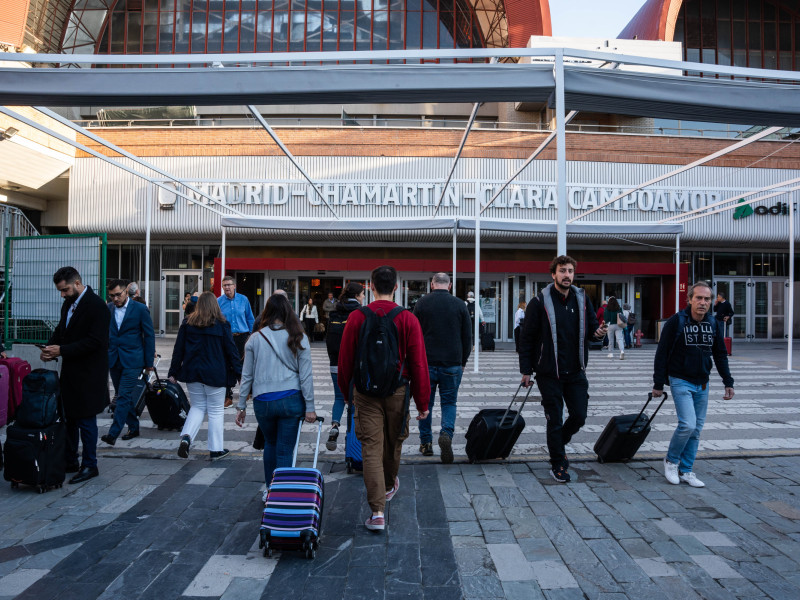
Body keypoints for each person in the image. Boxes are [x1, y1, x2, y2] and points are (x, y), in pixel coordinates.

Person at [338, 265, 430, 532]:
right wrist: (423, 403)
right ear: (397, 287)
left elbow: (345, 362)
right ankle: (388, 485)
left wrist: (347, 395)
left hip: (365, 394)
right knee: (393, 443)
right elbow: (419, 364)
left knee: (370, 449)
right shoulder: (407, 319)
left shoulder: (357, 317)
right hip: (398, 392)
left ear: (371, 287)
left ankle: (377, 512)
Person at [519, 256, 607, 484]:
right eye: (562, 271)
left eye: (570, 271)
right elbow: (527, 339)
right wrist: (526, 370)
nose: (567, 275)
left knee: (579, 416)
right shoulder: (539, 302)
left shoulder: (582, 298)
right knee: (554, 420)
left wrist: (598, 334)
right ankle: (558, 463)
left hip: (576, 371)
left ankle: (560, 441)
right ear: (553, 274)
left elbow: (590, 329)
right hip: (549, 373)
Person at [653, 282, 735, 488]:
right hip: (680, 379)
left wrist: (728, 382)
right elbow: (662, 352)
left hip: (703, 383)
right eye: (698, 298)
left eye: (707, 299)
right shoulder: (677, 321)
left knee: (696, 429)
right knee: (687, 424)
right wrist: (658, 383)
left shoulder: (713, 323)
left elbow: (720, 354)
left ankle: (686, 470)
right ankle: (671, 460)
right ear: (689, 299)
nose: (703, 302)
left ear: (711, 302)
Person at [235, 294, 316, 491]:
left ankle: (270, 490)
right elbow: (306, 377)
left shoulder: (255, 338)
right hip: (291, 399)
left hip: (263, 401)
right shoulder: (299, 337)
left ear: (267, 312)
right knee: (285, 449)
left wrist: (241, 406)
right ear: (288, 311)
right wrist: (310, 408)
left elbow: (247, 376)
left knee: (270, 444)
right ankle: (283, 492)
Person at [40, 267, 110, 484]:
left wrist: (61, 350)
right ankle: (70, 459)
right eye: (61, 291)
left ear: (78, 283)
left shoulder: (98, 306)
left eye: (65, 290)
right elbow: (63, 329)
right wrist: (50, 348)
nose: (63, 294)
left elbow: (95, 342)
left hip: (89, 374)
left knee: (86, 421)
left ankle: (90, 465)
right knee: (69, 418)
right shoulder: (69, 303)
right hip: (70, 372)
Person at [170, 291, 242, 461]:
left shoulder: (187, 323)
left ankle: (187, 437)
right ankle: (216, 450)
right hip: (215, 374)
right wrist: (240, 374)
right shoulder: (222, 324)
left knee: (197, 407)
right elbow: (232, 351)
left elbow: (178, 349)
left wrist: (173, 372)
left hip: (192, 372)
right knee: (216, 411)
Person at [413, 272, 471, 463]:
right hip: (452, 363)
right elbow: (467, 338)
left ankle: (426, 443)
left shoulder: (422, 304)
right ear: (450, 285)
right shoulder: (459, 304)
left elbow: (414, 335)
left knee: (425, 405)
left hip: (426, 364)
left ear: (432, 284)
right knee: (449, 403)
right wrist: (462, 362)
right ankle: (446, 433)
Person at [100, 279, 155, 446]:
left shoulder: (139, 309)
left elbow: (149, 335)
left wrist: (148, 362)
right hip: (114, 359)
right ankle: (134, 426)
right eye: (111, 296)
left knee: (122, 396)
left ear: (126, 292)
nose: (115, 299)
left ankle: (113, 433)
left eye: (118, 295)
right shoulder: (108, 309)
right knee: (124, 395)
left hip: (133, 360)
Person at [324, 282, 365, 451]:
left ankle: (334, 426)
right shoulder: (360, 313)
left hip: (336, 364)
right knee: (355, 401)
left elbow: (328, 339)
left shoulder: (334, 311)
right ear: (356, 296)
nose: (363, 297)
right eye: (362, 294)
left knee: (339, 398)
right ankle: (354, 439)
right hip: (355, 366)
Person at [217, 275, 255, 408]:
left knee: (244, 365)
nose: (227, 287)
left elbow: (250, 318)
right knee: (227, 366)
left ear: (234, 286)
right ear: (222, 287)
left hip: (242, 337)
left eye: (229, 284)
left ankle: (247, 391)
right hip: (226, 338)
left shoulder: (243, 299)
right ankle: (228, 396)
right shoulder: (218, 302)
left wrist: (251, 335)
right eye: (224, 285)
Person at [604, 296, 626, 360]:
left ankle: (611, 353)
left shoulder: (607, 309)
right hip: (618, 325)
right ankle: (622, 351)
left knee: (610, 339)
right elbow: (622, 317)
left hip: (610, 325)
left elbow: (605, 318)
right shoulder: (619, 308)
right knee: (619, 339)